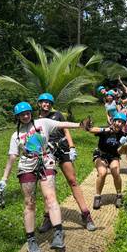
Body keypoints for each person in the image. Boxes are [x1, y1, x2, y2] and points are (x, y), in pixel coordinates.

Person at [0, 101, 92, 252]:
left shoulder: (43, 122)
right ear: (17, 117)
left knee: (50, 197)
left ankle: (58, 234)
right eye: (22, 114)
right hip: (26, 166)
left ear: (31, 113)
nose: (25, 116)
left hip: (46, 161)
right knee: (30, 203)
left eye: (27, 113)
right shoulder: (15, 136)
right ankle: (31, 240)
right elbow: (12, 156)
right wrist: (4, 178)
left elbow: (61, 124)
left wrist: (80, 124)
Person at [36, 92, 96, 233]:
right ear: (39, 104)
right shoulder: (35, 121)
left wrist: (72, 147)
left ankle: (86, 215)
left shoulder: (57, 115)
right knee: (48, 185)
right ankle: (48, 217)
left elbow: (66, 131)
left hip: (62, 148)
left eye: (49, 102)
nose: (47, 104)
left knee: (72, 180)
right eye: (44, 102)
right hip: (47, 152)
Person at [88, 112, 127, 210]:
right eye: (118, 121)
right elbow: (91, 130)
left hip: (113, 155)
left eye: (122, 123)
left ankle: (119, 195)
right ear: (113, 121)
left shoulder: (122, 135)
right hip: (100, 154)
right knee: (102, 173)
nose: (119, 124)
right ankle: (97, 196)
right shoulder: (105, 129)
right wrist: (104, 130)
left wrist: (124, 145)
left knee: (116, 173)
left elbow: (120, 152)